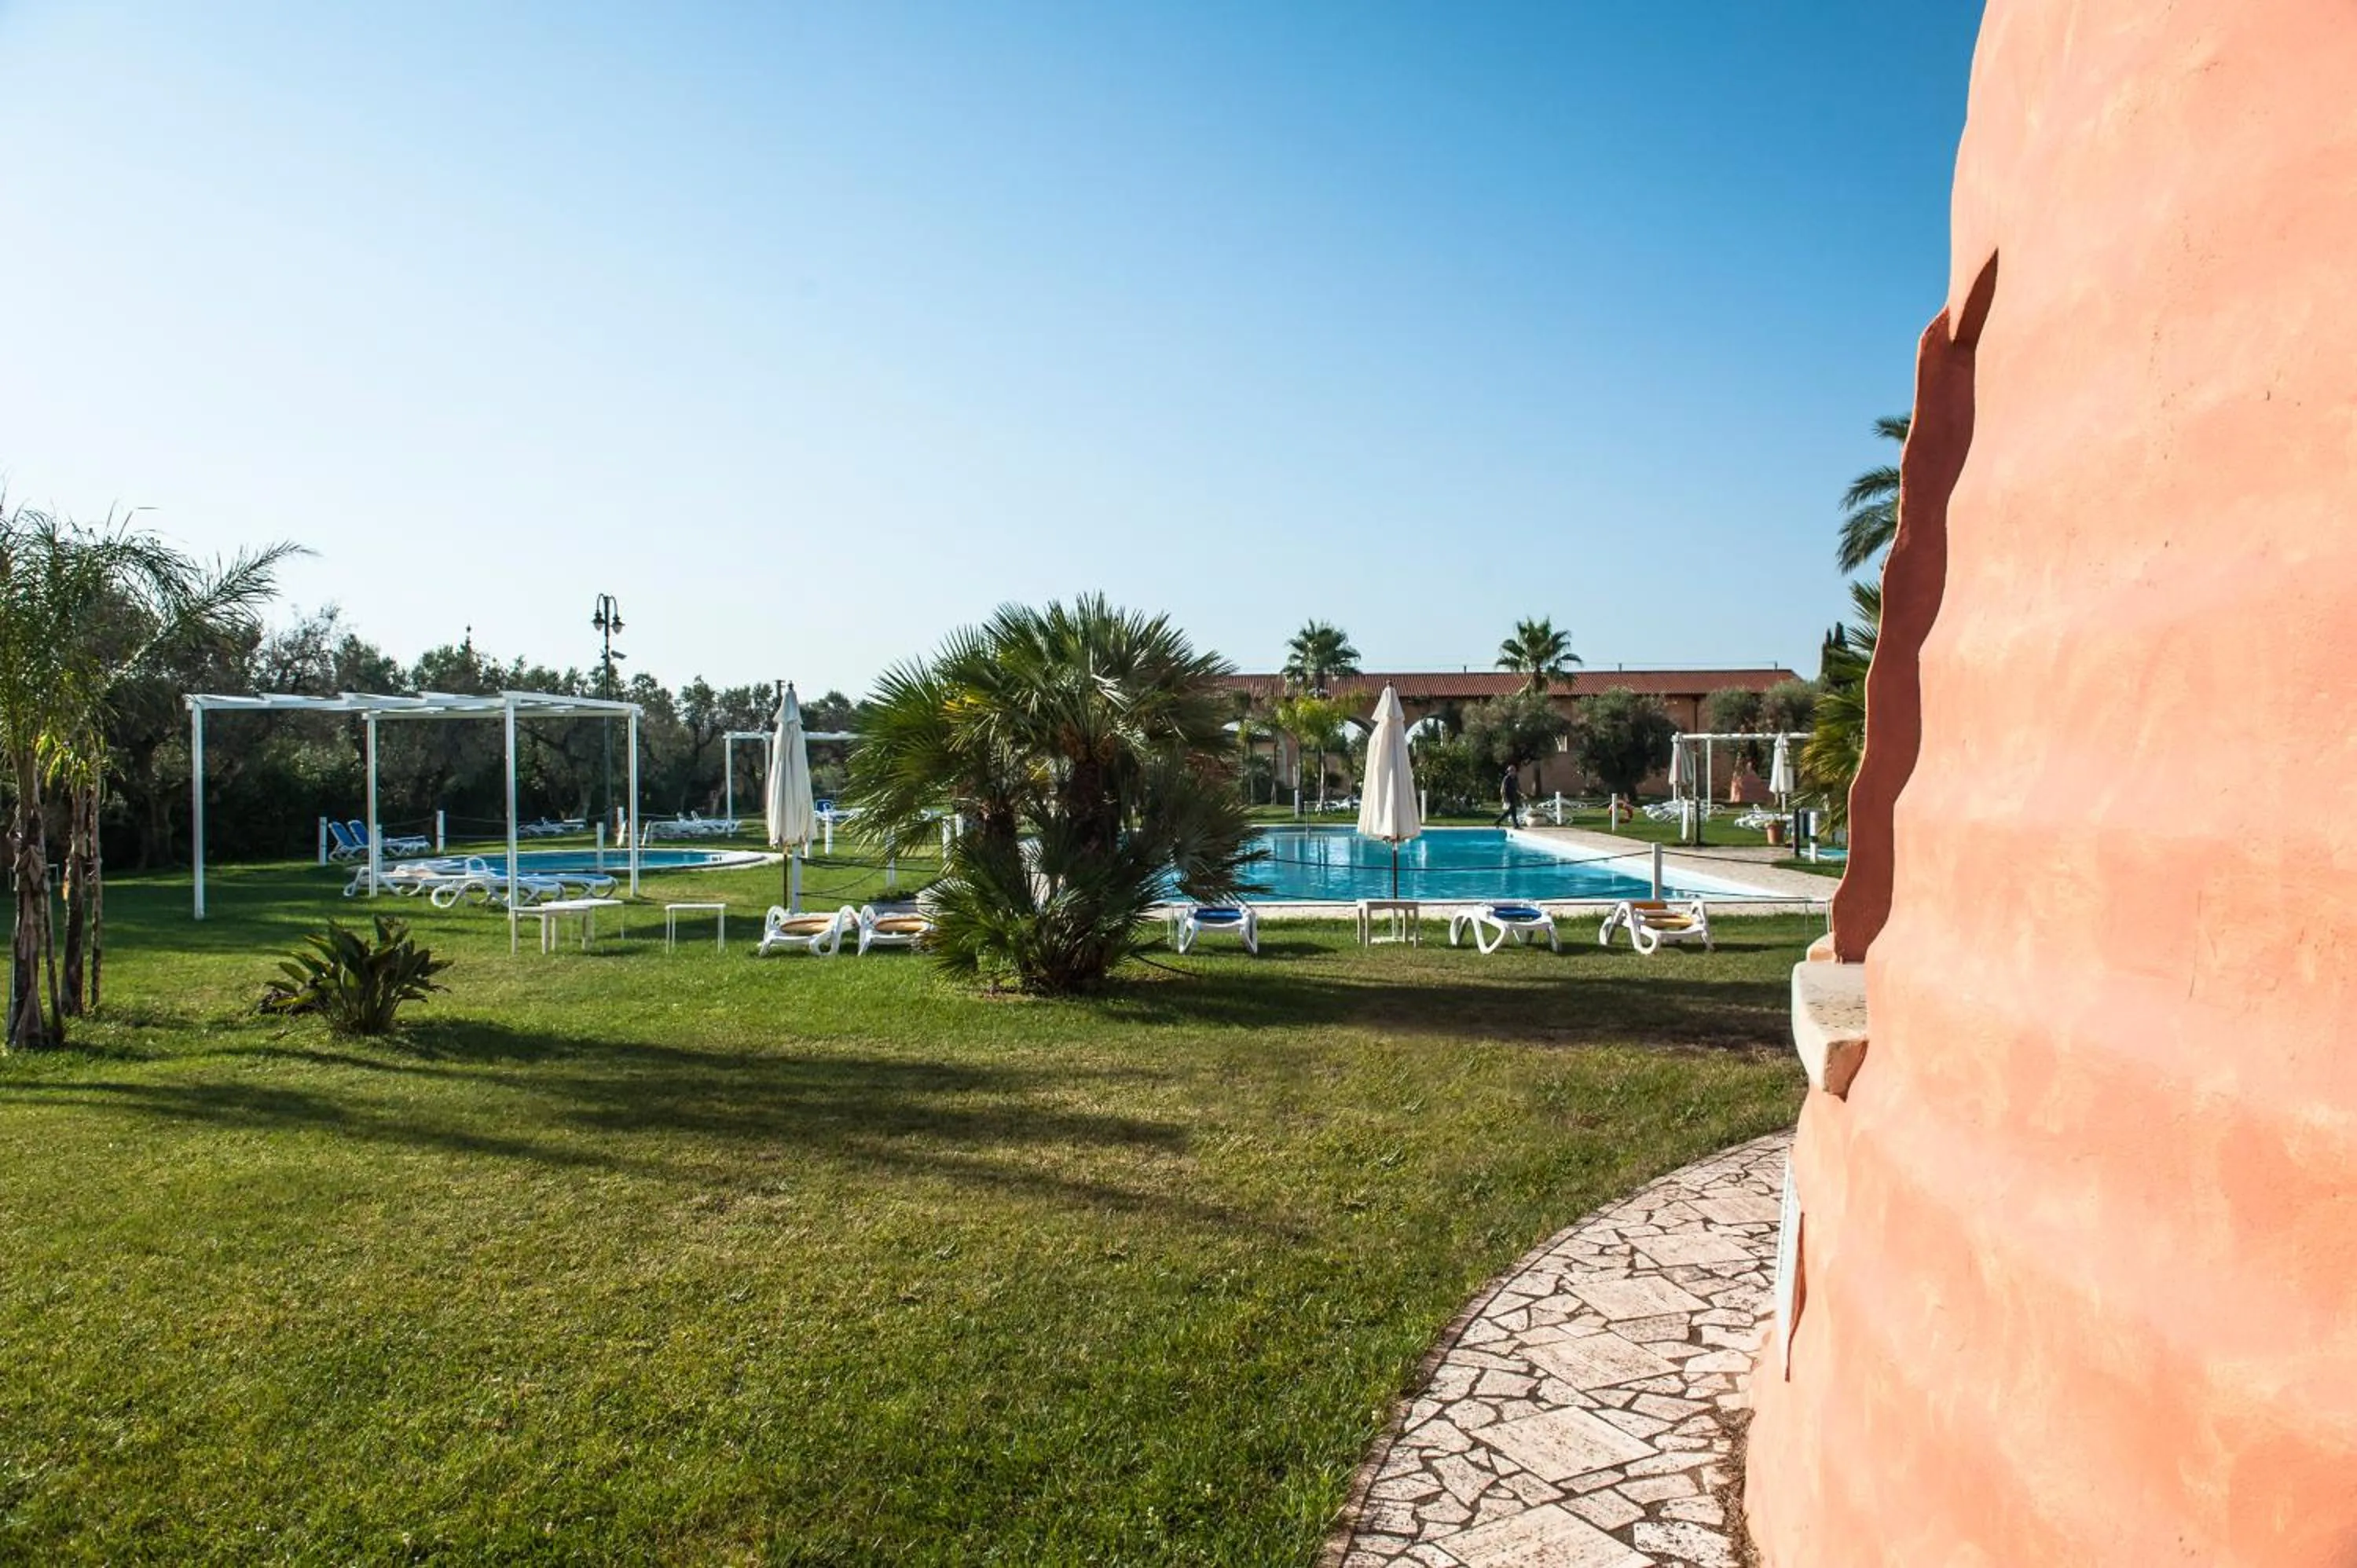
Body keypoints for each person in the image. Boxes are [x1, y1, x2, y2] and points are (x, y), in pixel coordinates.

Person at [1495, 765, 1523, 829]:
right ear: (1509, 771)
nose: (1513, 772)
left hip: (1513, 796)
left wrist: (1521, 794)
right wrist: (1504, 797)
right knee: (1512, 811)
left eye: (1514, 771)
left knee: (1511, 811)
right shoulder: (1507, 779)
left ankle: (1498, 822)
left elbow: (1517, 788)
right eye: (1511, 771)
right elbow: (1503, 789)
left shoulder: (1515, 778)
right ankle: (1515, 825)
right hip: (1508, 797)